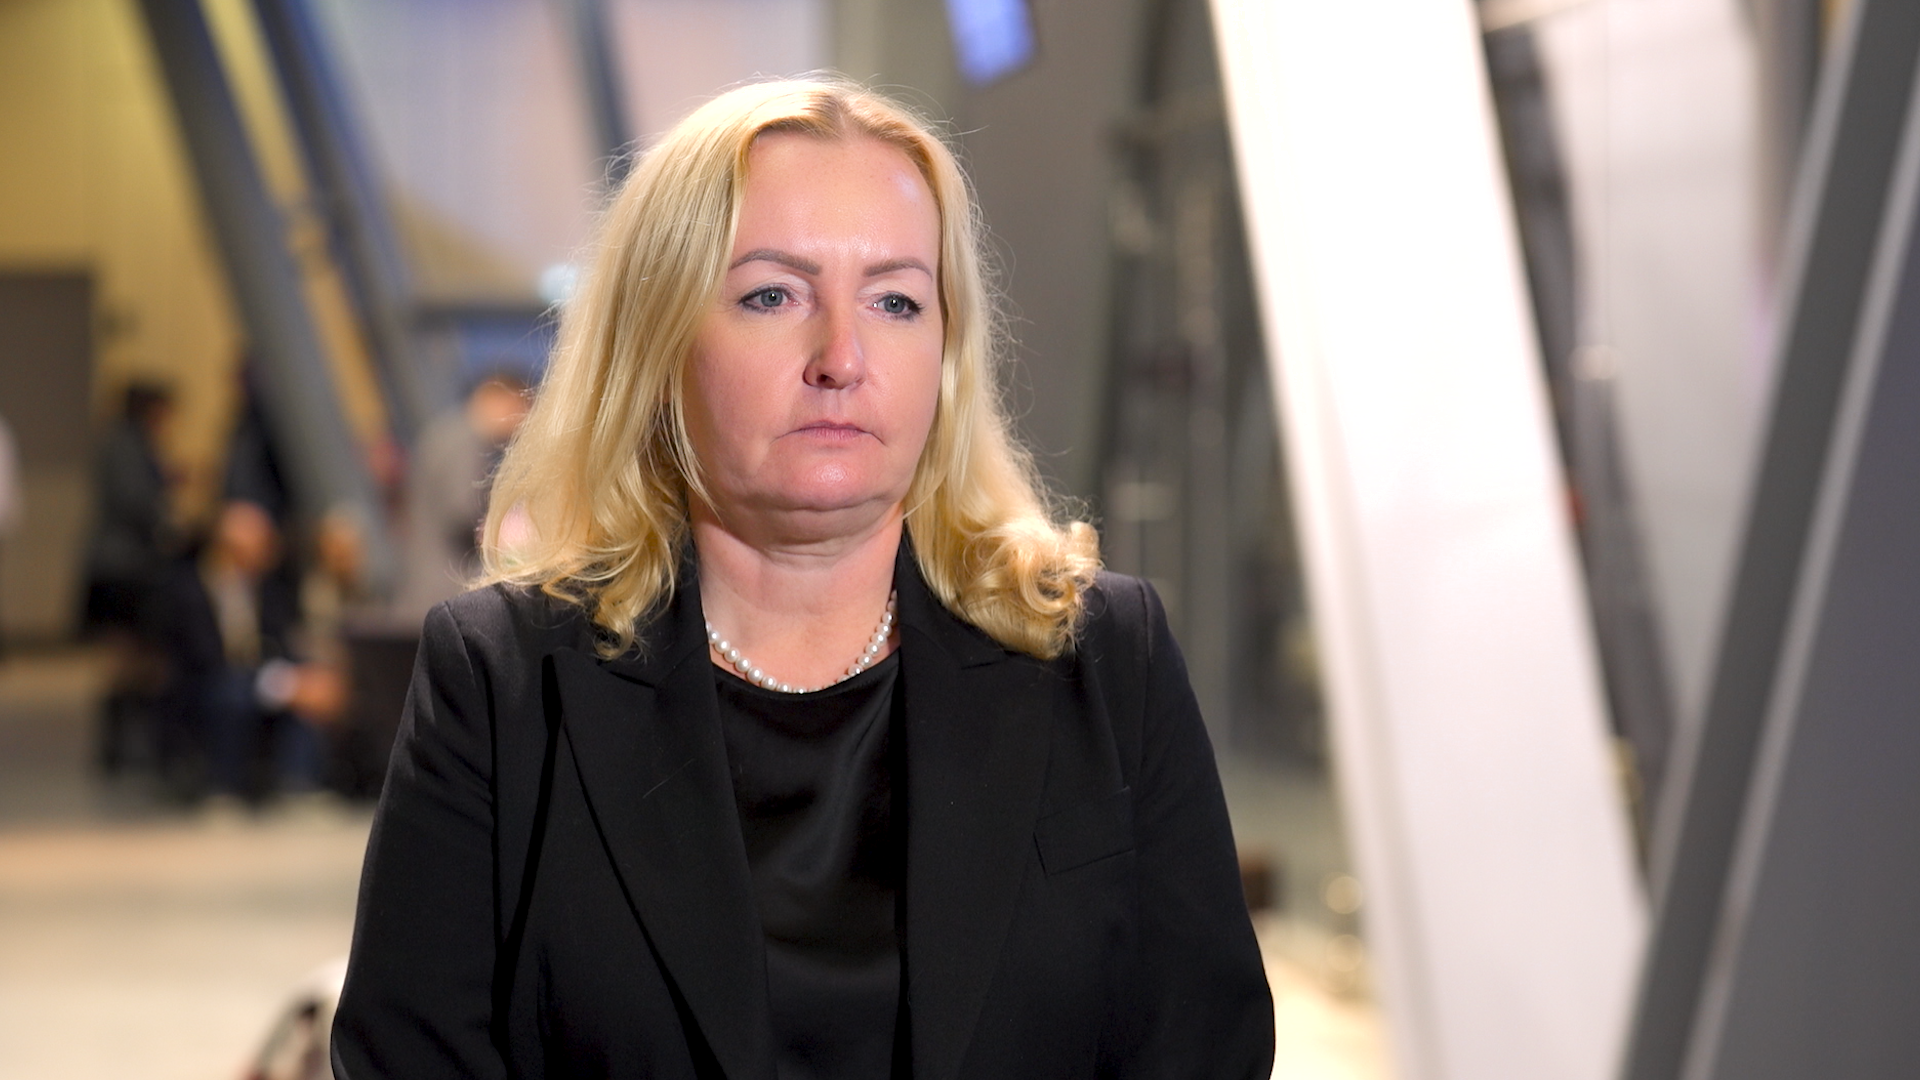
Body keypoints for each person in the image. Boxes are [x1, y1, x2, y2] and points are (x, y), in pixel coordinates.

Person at [332, 77, 1273, 1078]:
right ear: (658, 343)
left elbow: (1202, 1049)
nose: (842, 357)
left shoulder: (1101, 656)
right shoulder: (502, 679)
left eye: (896, 300)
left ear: (947, 353)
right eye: (771, 295)